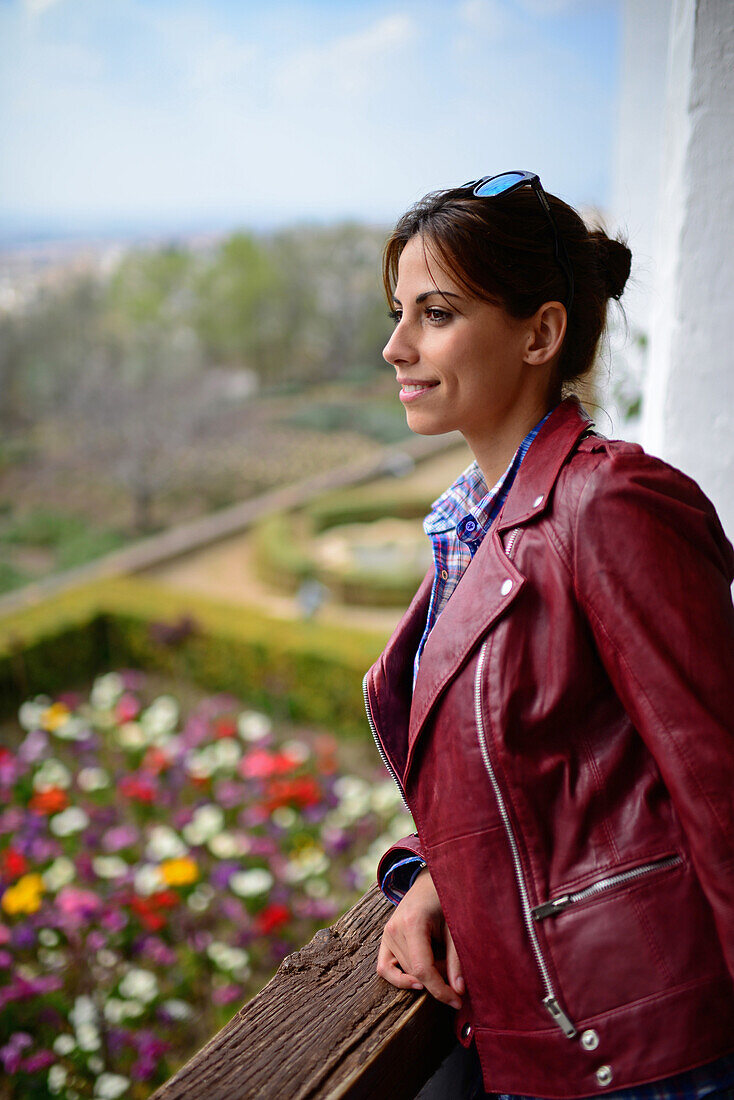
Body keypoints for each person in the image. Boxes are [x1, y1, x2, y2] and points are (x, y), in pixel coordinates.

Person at [363, 172, 734, 1099]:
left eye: (435, 314)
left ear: (541, 333)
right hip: (541, 1026)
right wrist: (434, 877)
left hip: (649, 1051)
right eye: (399, 311)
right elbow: (537, 772)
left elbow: (720, 782)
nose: (395, 346)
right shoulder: (471, 523)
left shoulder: (607, 504)